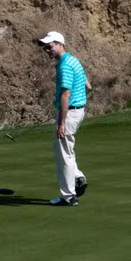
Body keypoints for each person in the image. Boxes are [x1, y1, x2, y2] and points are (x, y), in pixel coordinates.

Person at [37, 31, 89, 206]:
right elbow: (88, 86)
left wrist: (61, 123)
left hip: (69, 113)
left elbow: (65, 95)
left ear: (60, 44)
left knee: (64, 155)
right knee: (64, 149)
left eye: (50, 46)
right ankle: (78, 177)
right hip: (78, 111)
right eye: (45, 48)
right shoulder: (74, 60)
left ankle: (68, 197)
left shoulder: (65, 65)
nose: (47, 50)